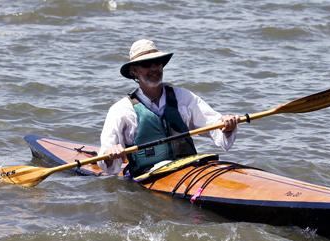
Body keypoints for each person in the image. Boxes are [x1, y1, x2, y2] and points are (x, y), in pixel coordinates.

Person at [98, 39, 238, 177]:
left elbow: (215, 125)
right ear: (134, 71)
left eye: (157, 63)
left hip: (189, 169)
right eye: (146, 64)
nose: (154, 69)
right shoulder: (120, 110)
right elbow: (108, 163)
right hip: (148, 177)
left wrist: (226, 126)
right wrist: (110, 155)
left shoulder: (184, 97)